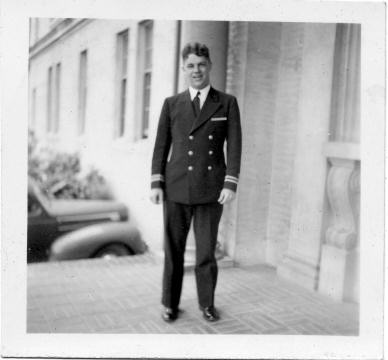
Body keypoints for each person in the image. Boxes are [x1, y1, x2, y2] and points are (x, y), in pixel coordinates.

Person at [150, 42, 242, 322]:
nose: (196, 70)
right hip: (176, 187)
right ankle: (170, 304)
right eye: (190, 65)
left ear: (210, 66)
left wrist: (230, 183)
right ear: (183, 69)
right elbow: (160, 146)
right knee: (174, 252)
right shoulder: (172, 104)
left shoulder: (226, 102)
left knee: (205, 254)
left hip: (210, 189)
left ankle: (207, 304)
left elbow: (235, 146)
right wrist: (156, 183)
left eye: (201, 64)